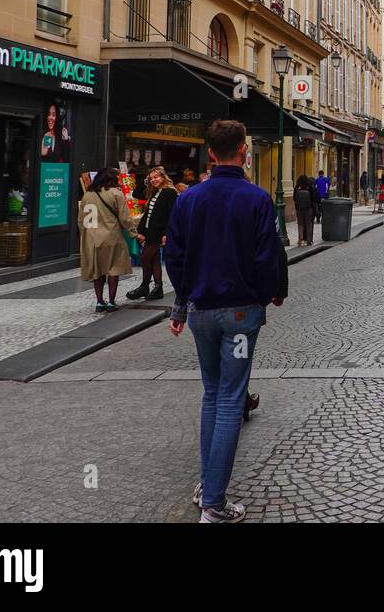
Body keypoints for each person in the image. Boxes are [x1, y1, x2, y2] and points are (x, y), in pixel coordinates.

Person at [164, 119, 284, 523]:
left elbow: (174, 255)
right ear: (244, 152)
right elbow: (268, 255)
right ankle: (214, 504)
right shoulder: (257, 199)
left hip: (201, 311)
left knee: (212, 395)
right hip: (240, 312)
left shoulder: (189, 199)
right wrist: (270, 293)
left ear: (210, 153)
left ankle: (207, 484)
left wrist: (183, 298)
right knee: (231, 397)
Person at [78, 168, 138, 313]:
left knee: (97, 271)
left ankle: (99, 301)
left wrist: (84, 235)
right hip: (111, 236)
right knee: (113, 269)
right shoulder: (116, 193)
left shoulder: (88, 195)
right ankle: (111, 301)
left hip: (91, 238)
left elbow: (81, 220)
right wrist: (134, 233)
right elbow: (124, 218)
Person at [128, 166, 178, 302]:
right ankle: (157, 287)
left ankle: (145, 286)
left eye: (156, 177)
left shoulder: (169, 192)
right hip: (150, 231)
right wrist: (144, 181)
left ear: (163, 177)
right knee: (154, 260)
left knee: (145, 258)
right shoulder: (155, 192)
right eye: (151, 178)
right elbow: (137, 196)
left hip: (158, 232)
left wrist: (166, 233)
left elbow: (171, 215)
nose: (153, 180)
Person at [293, 174, 316, 246]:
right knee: (309, 224)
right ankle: (309, 241)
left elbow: (294, 197)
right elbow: (313, 197)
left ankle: (300, 239)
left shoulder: (297, 187)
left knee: (300, 224)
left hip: (299, 209)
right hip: (308, 209)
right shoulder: (309, 187)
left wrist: (297, 205)